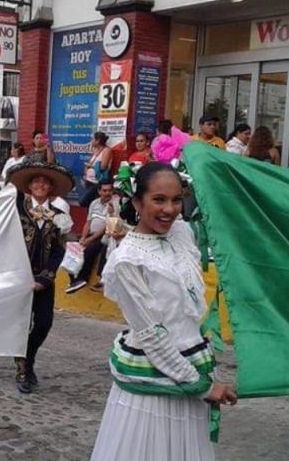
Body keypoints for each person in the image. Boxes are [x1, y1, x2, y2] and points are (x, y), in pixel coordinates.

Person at [91, 162, 235, 460]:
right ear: (137, 202)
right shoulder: (128, 260)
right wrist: (201, 387)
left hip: (191, 369)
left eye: (176, 200)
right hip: (157, 383)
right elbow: (152, 336)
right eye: (158, 199)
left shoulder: (181, 232)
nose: (169, 209)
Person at [6, 161, 74, 394]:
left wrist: (45, 279)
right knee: (20, 325)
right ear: (29, 186)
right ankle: (23, 370)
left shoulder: (60, 216)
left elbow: (59, 251)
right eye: (36, 181)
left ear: (51, 188)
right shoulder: (14, 210)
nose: (40, 185)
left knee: (44, 323)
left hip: (43, 280)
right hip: (19, 279)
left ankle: (28, 357)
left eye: (45, 182)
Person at [66, 180, 119, 294]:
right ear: (99, 191)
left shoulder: (115, 205)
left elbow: (108, 227)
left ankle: (82, 278)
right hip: (90, 234)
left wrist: (90, 239)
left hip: (104, 237)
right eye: (104, 191)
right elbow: (88, 222)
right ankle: (73, 280)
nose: (107, 193)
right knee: (72, 247)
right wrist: (84, 237)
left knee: (90, 250)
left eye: (109, 190)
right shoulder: (94, 203)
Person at [81, 131, 113, 208]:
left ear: (98, 140)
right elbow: (89, 163)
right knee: (90, 206)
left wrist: (91, 166)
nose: (91, 141)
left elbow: (103, 167)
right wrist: (86, 172)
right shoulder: (95, 150)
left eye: (93, 139)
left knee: (83, 201)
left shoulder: (107, 150)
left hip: (98, 182)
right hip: (89, 181)